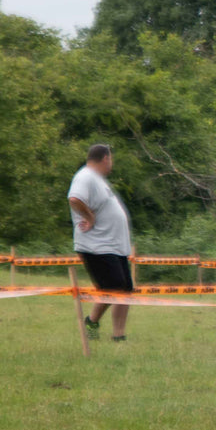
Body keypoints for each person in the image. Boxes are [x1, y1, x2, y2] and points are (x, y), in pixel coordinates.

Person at [68, 144, 133, 342]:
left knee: (125, 291)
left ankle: (117, 335)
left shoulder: (97, 180)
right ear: (105, 158)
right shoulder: (85, 176)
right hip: (97, 246)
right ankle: (92, 321)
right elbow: (74, 198)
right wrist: (90, 216)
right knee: (114, 287)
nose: (111, 163)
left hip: (114, 246)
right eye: (110, 159)